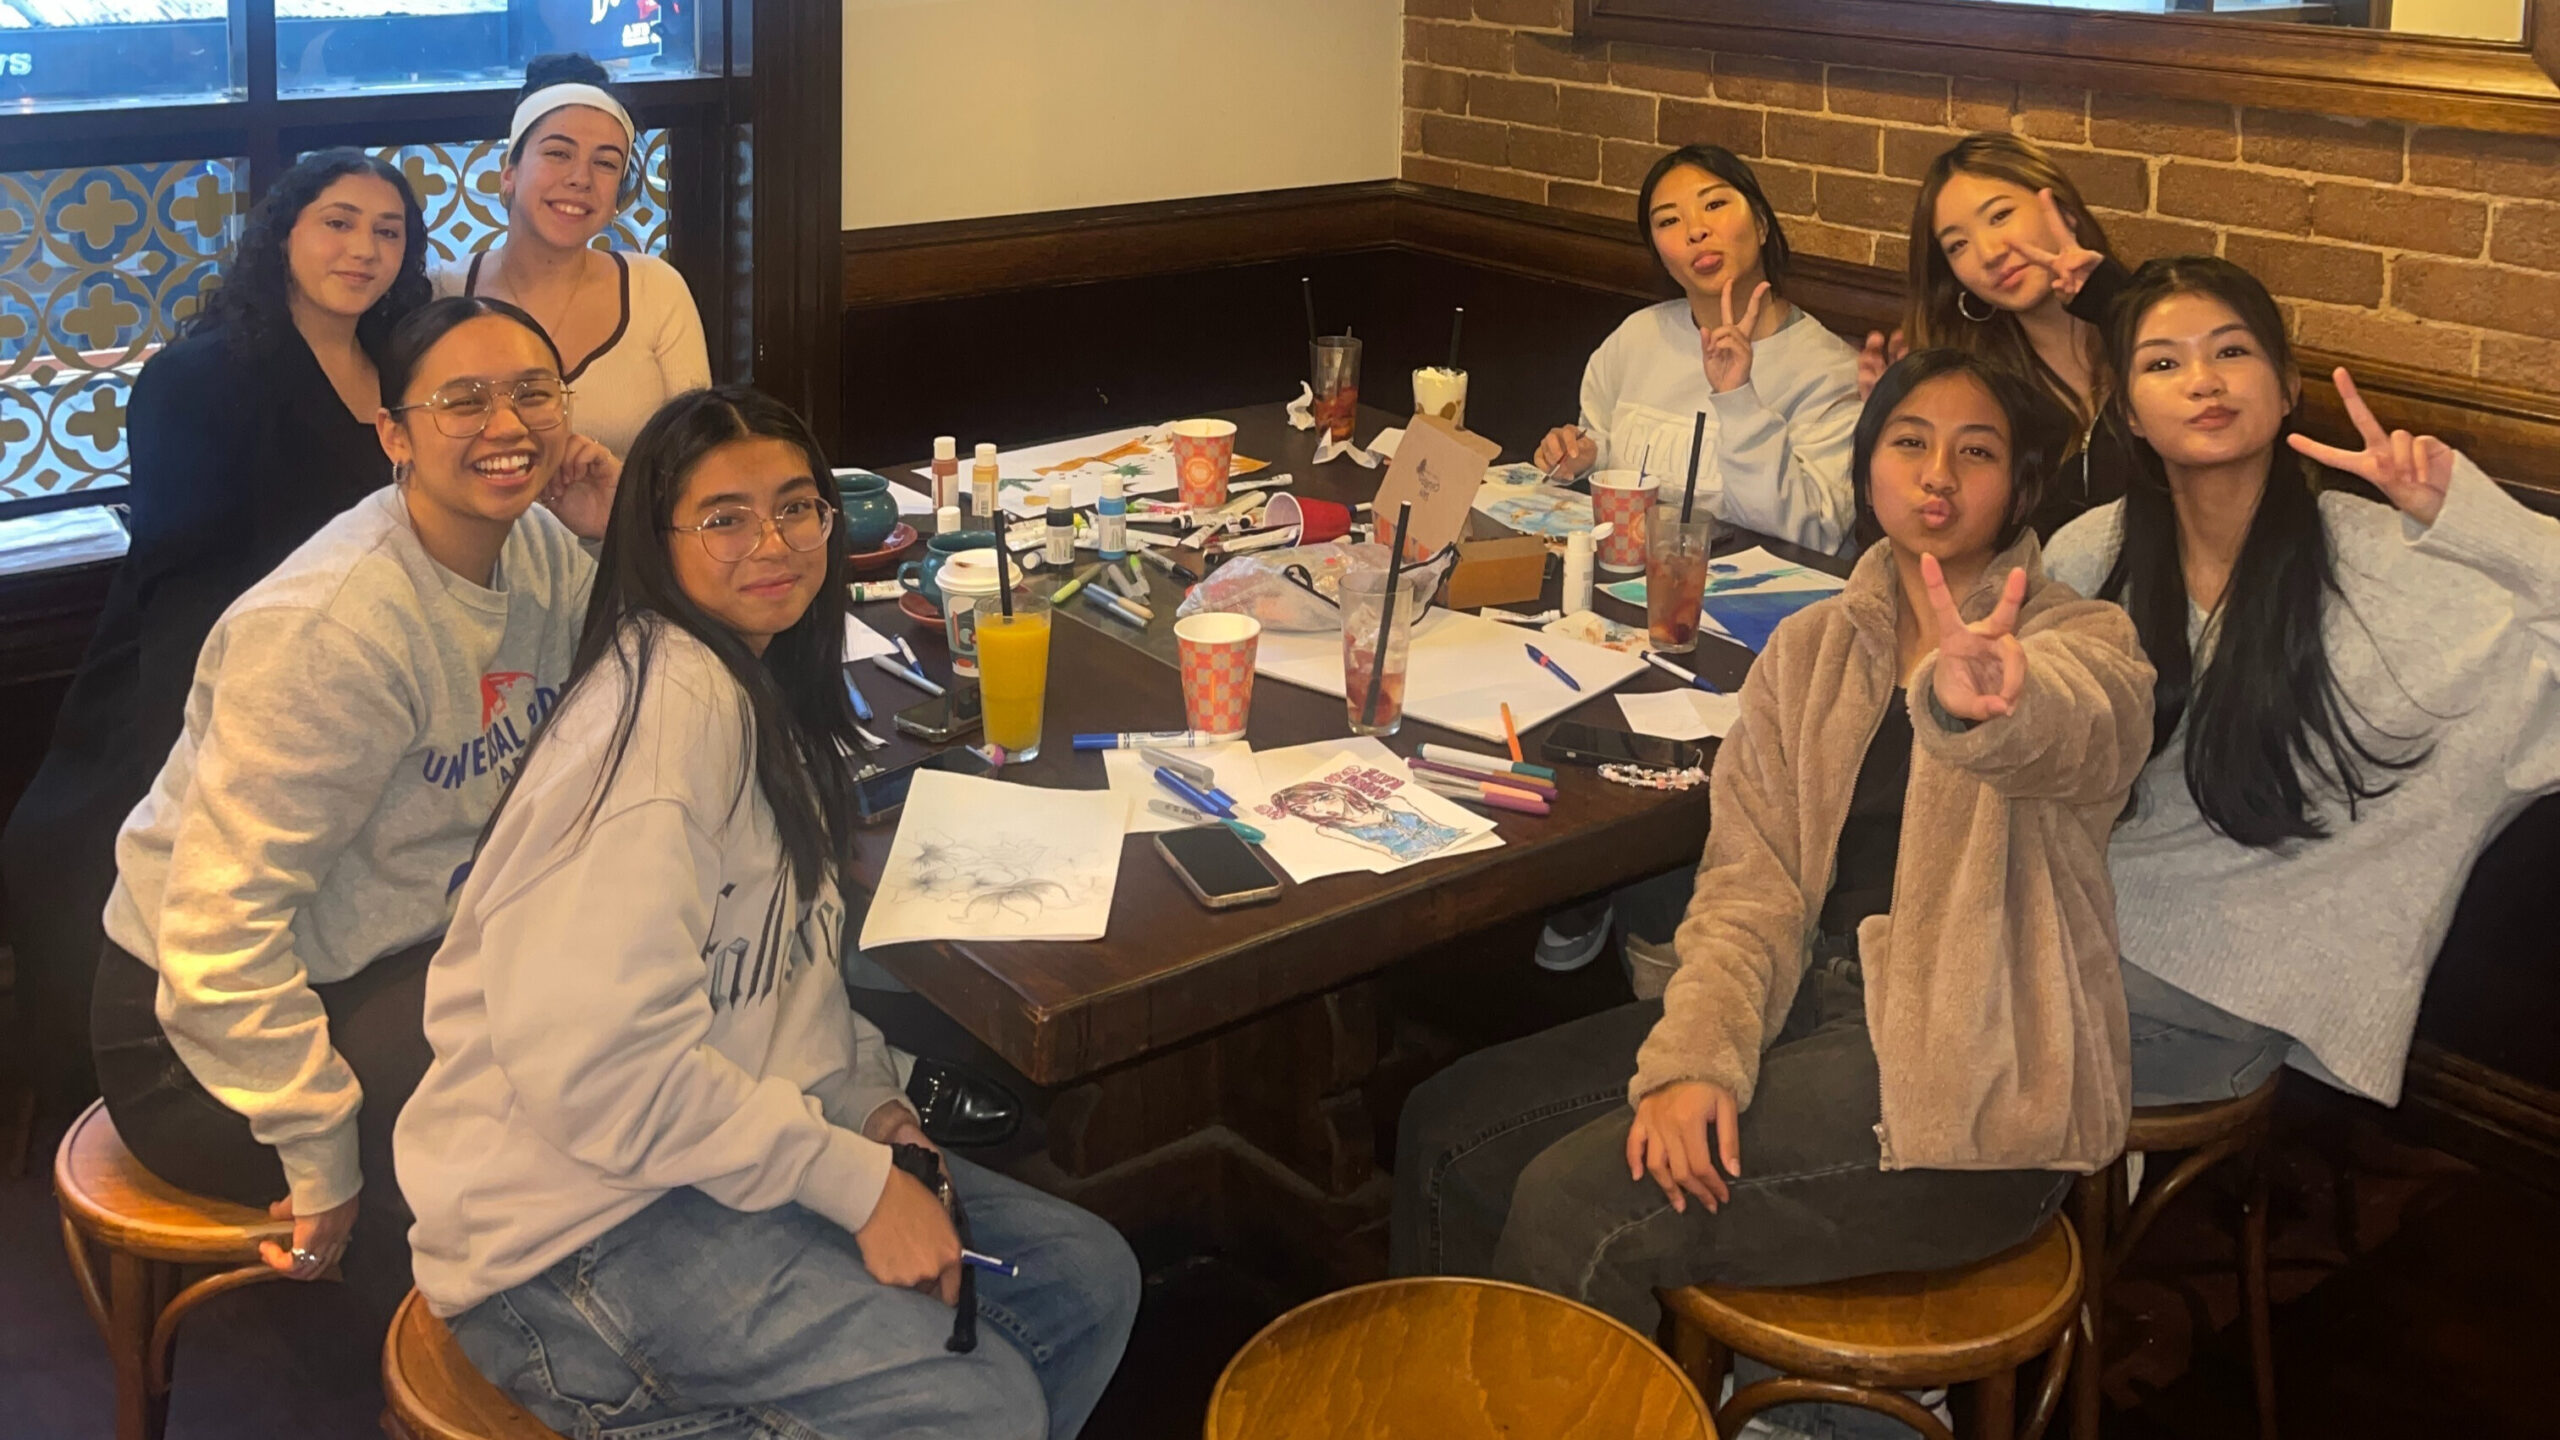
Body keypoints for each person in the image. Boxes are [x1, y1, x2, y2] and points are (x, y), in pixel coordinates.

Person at [399, 385, 1139, 1440]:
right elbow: (601, 1071)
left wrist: (873, 1108)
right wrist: (855, 1186)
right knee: (975, 1403)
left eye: (798, 508)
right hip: (567, 1233)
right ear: (657, 542)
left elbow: (780, 984)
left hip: (699, 1150)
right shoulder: (657, 733)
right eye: (725, 517)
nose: (774, 543)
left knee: (1081, 1279)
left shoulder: (757, 691)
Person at [1395, 351, 2155, 1347]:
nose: (1936, 476)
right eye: (1909, 443)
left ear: (2021, 486)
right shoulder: (1811, 649)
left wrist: (1990, 707)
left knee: (1579, 1203)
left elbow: (2092, 731)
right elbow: (1748, 881)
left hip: (1970, 1081)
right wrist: (1697, 1056)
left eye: (1975, 453)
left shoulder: (2079, 641)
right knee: (1449, 1127)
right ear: (1868, 464)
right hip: (1795, 1004)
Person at [88, 295, 617, 1314]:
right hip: (200, 1040)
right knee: (538, 1109)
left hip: (391, 952)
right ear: (394, 435)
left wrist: (612, 531)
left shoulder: (541, 550)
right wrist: (315, 1137)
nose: (508, 425)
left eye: (533, 392)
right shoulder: (331, 632)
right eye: (463, 400)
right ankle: (507, 1379)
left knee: (606, 1025)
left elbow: (641, 698)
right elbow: (216, 930)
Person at [2045, 256, 2560, 1110]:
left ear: (2286, 387)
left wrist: (2466, 519)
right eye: (2164, 362)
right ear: (2129, 414)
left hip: (2248, 979)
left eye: (2232, 352)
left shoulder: (2388, 564)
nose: (2203, 382)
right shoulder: (2091, 554)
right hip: (2080, 920)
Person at [3, 150, 434, 1119]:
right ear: (283, 234)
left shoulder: (405, 363)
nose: (363, 248)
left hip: (363, 678)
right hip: (195, 678)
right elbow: (186, 585)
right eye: (337, 221)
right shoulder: (197, 376)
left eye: (387, 230)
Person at [1532, 144, 1862, 556]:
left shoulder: (1829, 371)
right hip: (1628, 588)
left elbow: (1817, 533)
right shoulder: (1636, 338)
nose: (1695, 231)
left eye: (1715, 205)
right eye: (1669, 220)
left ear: (1761, 224)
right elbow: (1605, 444)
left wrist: (1737, 399)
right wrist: (1584, 455)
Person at [1866, 133, 2142, 539]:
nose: (1989, 252)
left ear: (2062, 210)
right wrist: (1891, 433)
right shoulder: (1976, 383)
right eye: (1958, 245)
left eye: (1999, 217)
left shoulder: (2152, 324)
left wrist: (2111, 302)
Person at [437, 51, 710, 459]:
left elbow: (698, 460)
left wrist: (617, 500)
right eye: (558, 154)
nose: (580, 178)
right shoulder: (444, 292)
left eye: (604, 163)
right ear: (508, 174)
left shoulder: (656, 289)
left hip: (624, 524)